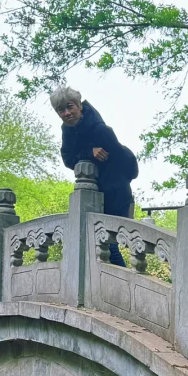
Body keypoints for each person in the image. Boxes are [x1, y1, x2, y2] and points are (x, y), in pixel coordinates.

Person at [51, 85, 139, 266]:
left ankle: (122, 285)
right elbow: (67, 159)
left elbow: (122, 160)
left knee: (106, 242)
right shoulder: (67, 129)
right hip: (92, 194)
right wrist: (89, 153)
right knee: (98, 244)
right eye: (61, 110)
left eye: (70, 107)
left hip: (115, 193)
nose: (67, 113)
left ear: (79, 106)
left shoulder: (99, 129)